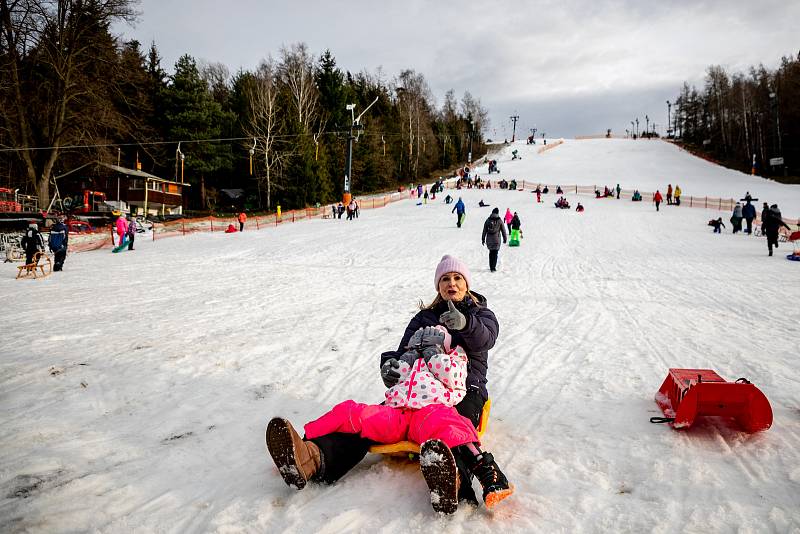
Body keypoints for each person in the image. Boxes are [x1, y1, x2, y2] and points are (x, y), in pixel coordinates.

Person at [265, 255, 506, 513]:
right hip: (416, 392)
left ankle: (454, 483)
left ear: (466, 283)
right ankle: (312, 457)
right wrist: (390, 364)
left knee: (453, 426)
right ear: (438, 285)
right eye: (445, 279)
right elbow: (403, 350)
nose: (452, 283)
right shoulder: (424, 318)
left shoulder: (481, 314)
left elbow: (486, 339)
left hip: (462, 390)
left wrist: (466, 323)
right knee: (367, 420)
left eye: (458, 278)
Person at [482, 207, 508, 272]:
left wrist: (483, 239)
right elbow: (503, 230)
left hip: (489, 240)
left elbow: (484, 230)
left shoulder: (488, 220)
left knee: (491, 253)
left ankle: (491, 267)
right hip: (496, 240)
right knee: (495, 253)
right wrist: (505, 238)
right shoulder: (499, 221)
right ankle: (493, 267)